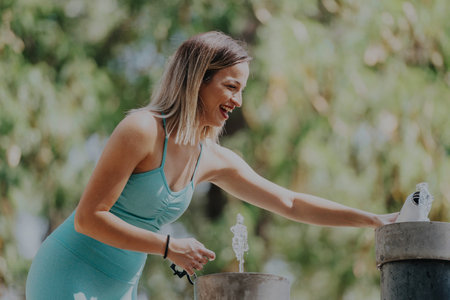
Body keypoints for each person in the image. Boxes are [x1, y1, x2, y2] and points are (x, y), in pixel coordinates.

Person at [26, 31, 398, 299]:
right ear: (197, 81)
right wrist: (168, 246)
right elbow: (88, 218)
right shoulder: (141, 129)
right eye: (231, 86)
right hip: (69, 271)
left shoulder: (214, 159)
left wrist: (374, 220)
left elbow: (289, 203)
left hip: (122, 284)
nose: (239, 100)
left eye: (243, 90)